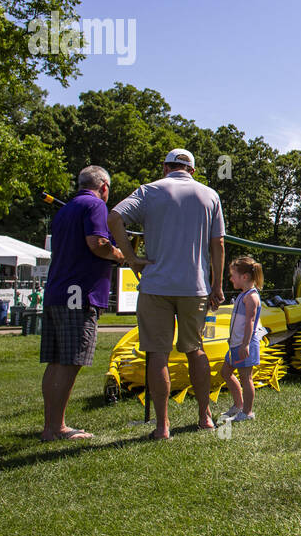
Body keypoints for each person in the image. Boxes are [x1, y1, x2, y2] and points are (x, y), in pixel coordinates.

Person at [108, 148, 225, 440]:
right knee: (195, 350)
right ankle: (205, 417)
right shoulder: (209, 195)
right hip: (194, 287)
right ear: (192, 171)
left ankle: (162, 426)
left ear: (165, 167)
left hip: (156, 285)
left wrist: (131, 257)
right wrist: (217, 285)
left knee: (157, 354)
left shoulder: (149, 191)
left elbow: (114, 218)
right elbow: (218, 244)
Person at [40, 165, 123, 441]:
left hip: (56, 291)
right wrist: (121, 254)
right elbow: (98, 243)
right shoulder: (96, 206)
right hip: (79, 296)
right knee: (70, 362)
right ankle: (57, 428)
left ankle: (51, 425)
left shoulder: (65, 210)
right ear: (104, 187)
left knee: (55, 361)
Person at [220, 256, 265, 423]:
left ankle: (247, 412)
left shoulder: (251, 297)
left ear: (244, 277)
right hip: (236, 344)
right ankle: (238, 405)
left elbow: (250, 323)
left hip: (244, 345)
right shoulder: (243, 295)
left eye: (233, 275)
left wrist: (245, 344)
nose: (231, 278)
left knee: (246, 378)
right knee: (225, 372)